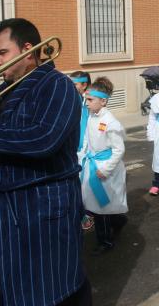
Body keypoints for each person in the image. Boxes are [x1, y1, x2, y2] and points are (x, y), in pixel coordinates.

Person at [0, 18, 91, 305]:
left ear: (29, 50)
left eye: (2, 53)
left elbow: (44, 139)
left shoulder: (58, 85)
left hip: (40, 204)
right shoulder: (5, 88)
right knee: (7, 285)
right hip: (1, 204)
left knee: (50, 287)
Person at [80, 77, 128, 255]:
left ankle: (105, 241)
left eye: (90, 100)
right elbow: (86, 139)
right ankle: (118, 221)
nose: (86, 103)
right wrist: (82, 156)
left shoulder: (110, 122)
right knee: (96, 204)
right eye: (86, 99)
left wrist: (106, 169)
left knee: (101, 207)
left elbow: (118, 150)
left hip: (105, 169)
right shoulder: (91, 116)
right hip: (92, 165)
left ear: (103, 101)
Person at [70, 70, 94, 231]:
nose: (72, 87)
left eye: (75, 84)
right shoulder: (75, 98)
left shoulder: (91, 99)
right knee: (77, 182)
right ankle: (80, 212)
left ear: (84, 85)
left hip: (87, 147)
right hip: (75, 147)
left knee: (85, 183)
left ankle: (87, 212)